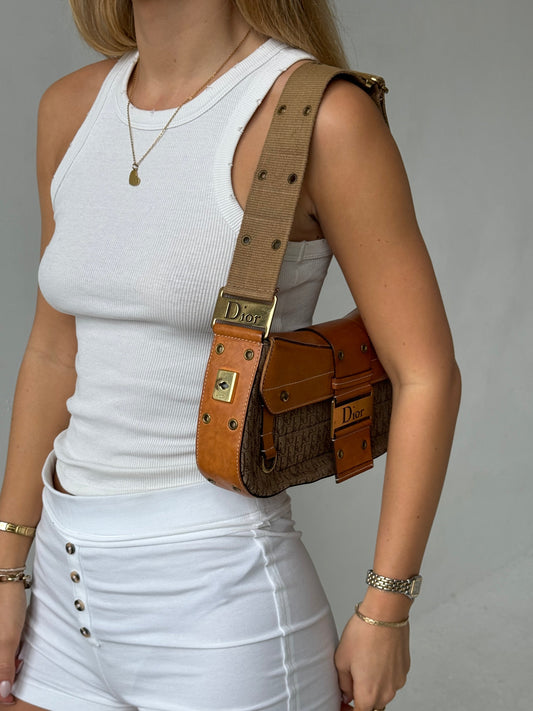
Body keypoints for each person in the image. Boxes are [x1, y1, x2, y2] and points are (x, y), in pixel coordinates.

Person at [0, 1, 461, 710]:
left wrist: (386, 607)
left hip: (220, 608)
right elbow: (54, 352)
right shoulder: (69, 109)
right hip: (63, 594)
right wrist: (7, 568)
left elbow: (425, 373)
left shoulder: (321, 117)